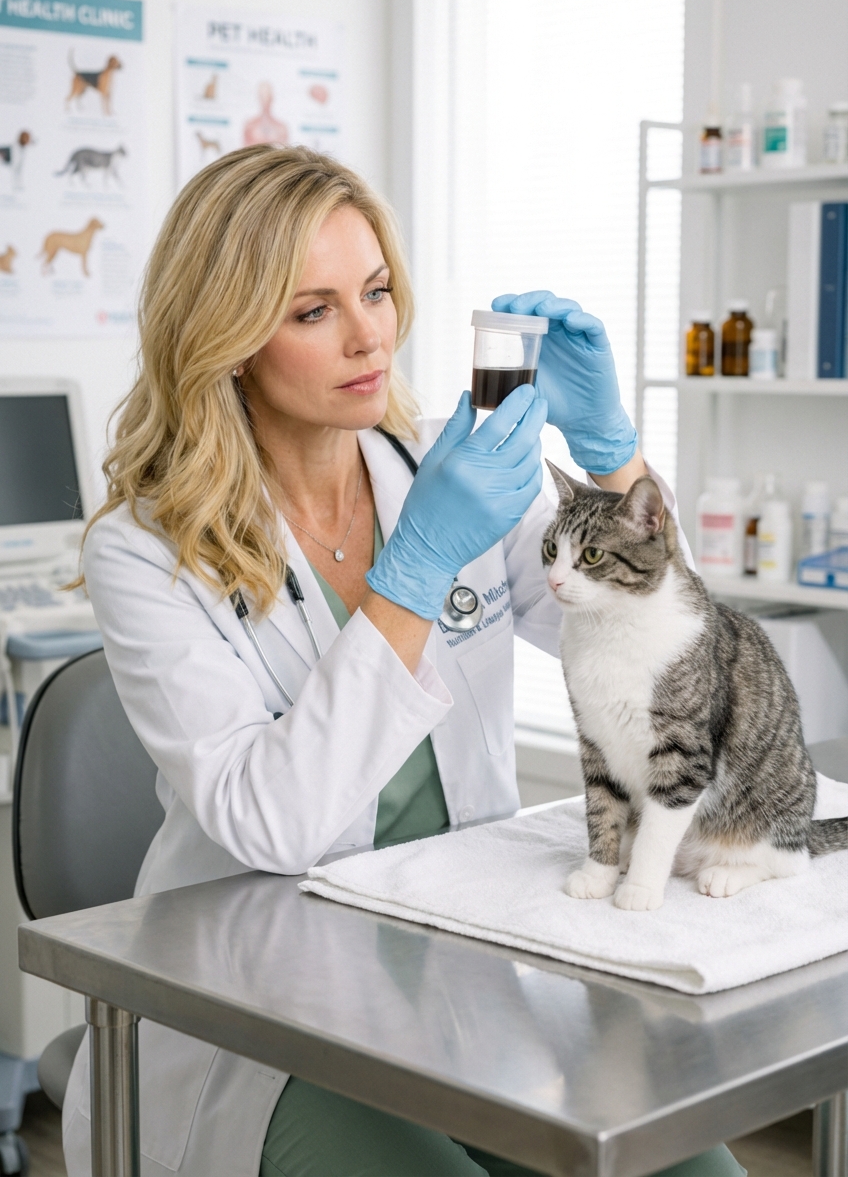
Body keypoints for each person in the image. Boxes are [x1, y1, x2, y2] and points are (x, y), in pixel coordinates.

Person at [62, 146, 745, 1177]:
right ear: (229, 336)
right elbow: (274, 822)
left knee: (687, 1166)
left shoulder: (452, 470)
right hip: (269, 1010)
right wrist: (415, 566)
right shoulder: (147, 548)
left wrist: (610, 452)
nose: (369, 333)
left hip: (466, 970)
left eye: (375, 290)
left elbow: (683, 679)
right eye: (312, 310)